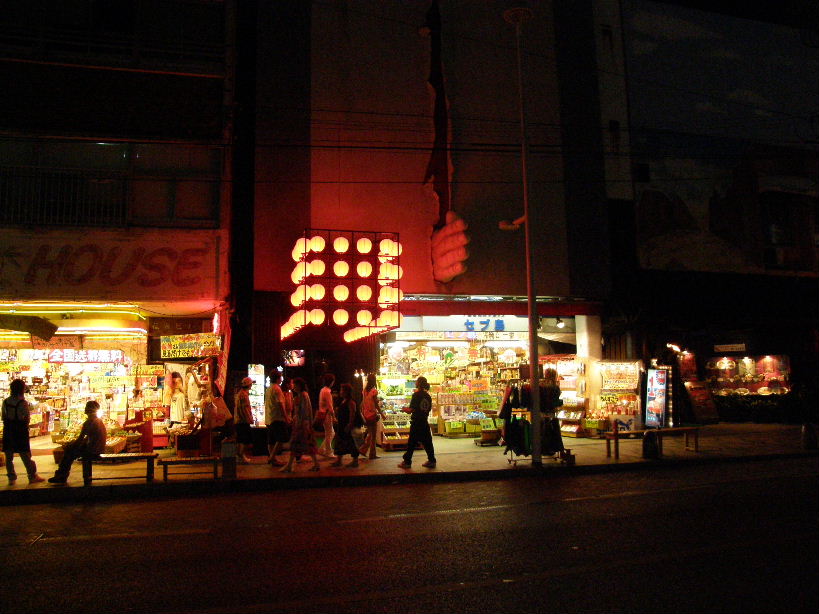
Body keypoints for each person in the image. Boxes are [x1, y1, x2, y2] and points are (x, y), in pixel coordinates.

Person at [48, 401, 106, 484]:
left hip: (93, 450)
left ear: (88, 410)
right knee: (70, 451)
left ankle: (61, 475)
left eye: (86, 407)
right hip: (97, 448)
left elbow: (80, 439)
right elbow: (87, 439)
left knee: (69, 453)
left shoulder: (89, 422)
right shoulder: (98, 421)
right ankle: (61, 475)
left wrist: (70, 446)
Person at [3, 379, 45, 485]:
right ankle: (32, 476)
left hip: (8, 430)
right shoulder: (22, 403)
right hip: (20, 431)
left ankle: (11, 478)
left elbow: (3, 416)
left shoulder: (6, 401)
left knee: (9, 456)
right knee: (25, 454)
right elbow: (26, 418)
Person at [281, 378, 320, 473]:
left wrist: (299, 423)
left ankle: (290, 466)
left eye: (295, 385)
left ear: (299, 386)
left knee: (297, 444)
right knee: (306, 445)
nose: (293, 387)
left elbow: (303, 412)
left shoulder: (302, 396)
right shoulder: (303, 395)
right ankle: (315, 464)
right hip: (303, 424)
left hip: (302, 425)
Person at [397, 376, 436, 469]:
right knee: (427, 442)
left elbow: (411, 410)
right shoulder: (428, 396)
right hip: (424, 421)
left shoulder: (416, 395)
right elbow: (428, 409)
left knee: (411, 443)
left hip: (416, 422)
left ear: (418, 383)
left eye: (417, 381)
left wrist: (404, 409)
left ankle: (407, 462)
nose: (415, 382)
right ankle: (432, 461)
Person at [331, 383, 361, 468]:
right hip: (342, 425)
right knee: (340, 442)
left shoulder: (351, 402)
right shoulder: (344, 401)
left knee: (352, 443)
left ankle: (355, 461)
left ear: (346, 392)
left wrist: (350, 424)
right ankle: (339, 460)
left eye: (342, 390)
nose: (340, 392)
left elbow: (352, 413)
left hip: (347, 426)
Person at [265, 372, 291, 466]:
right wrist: (286, 417)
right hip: (277, 418)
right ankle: (272, 457)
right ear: (277, 378)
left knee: (271, 440)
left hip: (269, 417)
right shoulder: (277, 389)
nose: (281, 379)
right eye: (280, 377)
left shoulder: (269, 388)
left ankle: (273, 459)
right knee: (282, 438)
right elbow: (280, 404)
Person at [359, 373, 384, 459]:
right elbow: (376, 404)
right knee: (373, 435)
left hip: (366, 414)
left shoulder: (365, 390)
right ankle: (371, 454)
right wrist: (382, 414)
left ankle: (364, 450)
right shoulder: (374, 391)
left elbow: (363, 402)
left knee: (370, 433)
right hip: (372, 415)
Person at [233, 377, 255, 463]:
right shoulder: (244, 395)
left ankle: (239, 456)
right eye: (251, 384)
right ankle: (241, 455)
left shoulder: (240, 393)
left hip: (239, 420)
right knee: (244, 440)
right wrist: (249, 419)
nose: (252, 385)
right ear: (248, 385)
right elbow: (245, 409)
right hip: (243, 421)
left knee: (240, 439)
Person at [317, 373, 336, 458]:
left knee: (329, 432)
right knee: (330, 433)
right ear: (331, 382)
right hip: (327, 414)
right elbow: (330, 406)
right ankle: (328, 451)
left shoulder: (322, 390)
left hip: (322, 413)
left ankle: (322, 449)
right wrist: (334, 417)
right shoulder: (327, 392)